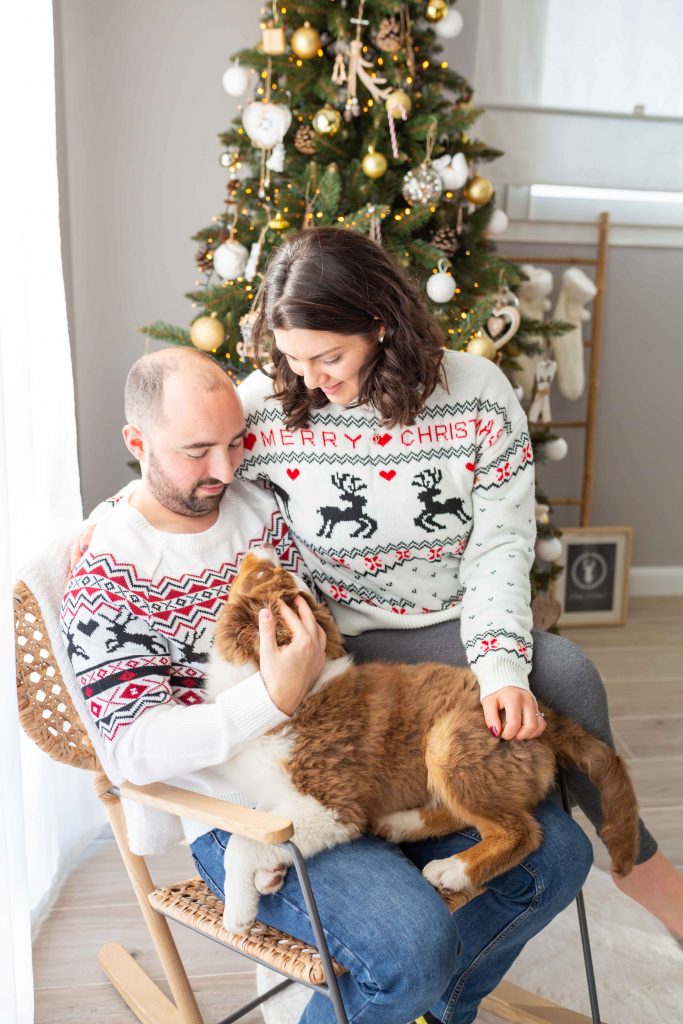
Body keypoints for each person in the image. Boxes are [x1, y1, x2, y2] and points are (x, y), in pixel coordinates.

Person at [62, 346, 592, 1024]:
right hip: (251, 812)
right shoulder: (109, 574)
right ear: (138, 443)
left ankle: (432, 1010)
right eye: (197, 451)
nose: (223, 470)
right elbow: (131, 752)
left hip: (356, 761)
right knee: (411, 945)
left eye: (234, 444)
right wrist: (271, 699)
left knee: (554, 857)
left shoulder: (259, 509)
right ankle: (408, 992)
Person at [233, 225, 683, 945]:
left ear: (379, 323)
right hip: (341, 642)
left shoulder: (475, 390)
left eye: (330, 356)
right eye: (292, 358)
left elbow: (501, 546)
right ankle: (479, 857)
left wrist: (501, 666)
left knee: (562, 671)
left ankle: (638, 868)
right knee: (523, 757)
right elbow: (192, 474)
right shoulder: (266, 401)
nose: (310, 377)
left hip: (449, 617)